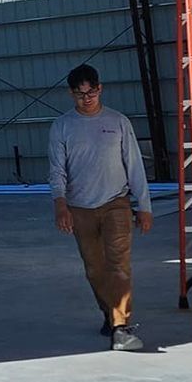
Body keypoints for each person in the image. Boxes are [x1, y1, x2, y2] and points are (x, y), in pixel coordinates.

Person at [48, 64, 153, 351]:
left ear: (100, 89)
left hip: (116, 203)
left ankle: (121, 326)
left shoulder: (118, 122)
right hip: (79, 208)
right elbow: (57, 170)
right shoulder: (62, 126)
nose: (87, 98)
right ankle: (109, 312)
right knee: (95, 268)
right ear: (71, 94)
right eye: (80, 94)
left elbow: (134, 165)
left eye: (91, 92)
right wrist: (60, 204)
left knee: (119, 264)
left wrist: (144, 206)